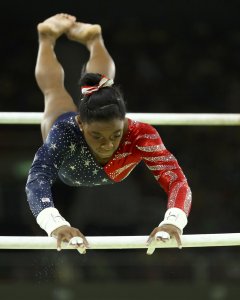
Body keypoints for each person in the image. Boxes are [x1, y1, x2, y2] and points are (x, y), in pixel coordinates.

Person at [25, 13, 192, 255]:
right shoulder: (65, 132)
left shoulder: (140, 134)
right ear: (81, 124)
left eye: (115, 135)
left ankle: (94, 39)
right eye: (97, 136)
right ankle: (46, 38)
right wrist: (56, 224)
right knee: (53, 93)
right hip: (69, 151)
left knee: (105, 87)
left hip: (90, 162)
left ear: (124, 122)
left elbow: (176, 179)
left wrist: (173, 221)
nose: (108, 145)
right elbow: (37, 179)